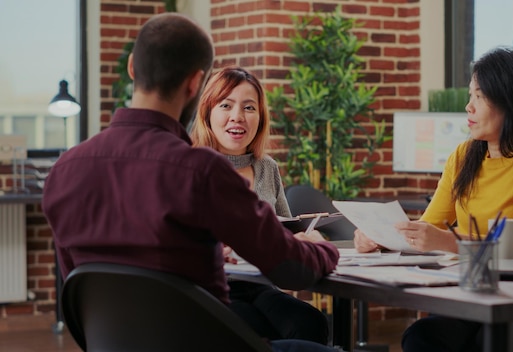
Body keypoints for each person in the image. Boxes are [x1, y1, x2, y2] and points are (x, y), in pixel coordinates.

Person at [42, 13, 340, 352]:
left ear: (132, 68)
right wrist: (323, 248)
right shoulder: (201, 171)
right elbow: (290, 269)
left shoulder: (64, 171)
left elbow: (79, 289)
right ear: (196, 83)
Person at [354, 47, 513, 352]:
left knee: (485, 343)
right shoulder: (463, 156)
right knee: (422, 337)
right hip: (477, 296)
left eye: (478, 96)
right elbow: (429, 226)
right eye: (470, 96)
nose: (468, 107)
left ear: (511, 101)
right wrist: (380, 237)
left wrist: (446, 241)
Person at [188, 65, 330, 345]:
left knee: (310, 323)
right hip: (210, 288)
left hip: (260, 284)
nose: (237, 117)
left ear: (260, 116)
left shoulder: (267, 168)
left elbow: (285, 232)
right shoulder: (189, 164)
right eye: (226, 105)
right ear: (207, 112)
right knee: (256, 334)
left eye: (249, 108)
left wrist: (306, 238)